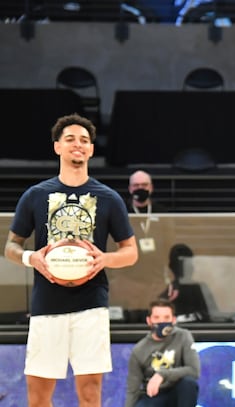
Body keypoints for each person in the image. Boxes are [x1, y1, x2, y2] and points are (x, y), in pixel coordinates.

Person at [3, 113, 139, 407]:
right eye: (70, 139)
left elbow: (131, 253)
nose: (78, 145)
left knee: (90, 396)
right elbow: (10, 246)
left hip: (91, 306)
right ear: (57, 147)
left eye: (85, 141)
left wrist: (104, 259)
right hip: (46, 305)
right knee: (38, 399)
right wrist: (31, 258)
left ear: (91, 150)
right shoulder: (35, 195)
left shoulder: (109, 198)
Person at [125, 298, 200, 407]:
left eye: (166, 317)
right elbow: (133, 390)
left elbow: (194, 370)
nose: (161, 322)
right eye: (156, 318)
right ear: (149, 321)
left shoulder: (183, 336)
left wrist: (162, 374)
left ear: (174, 320)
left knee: (189, 384)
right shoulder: (139, 350)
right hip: (154, 395)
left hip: (178, 391)